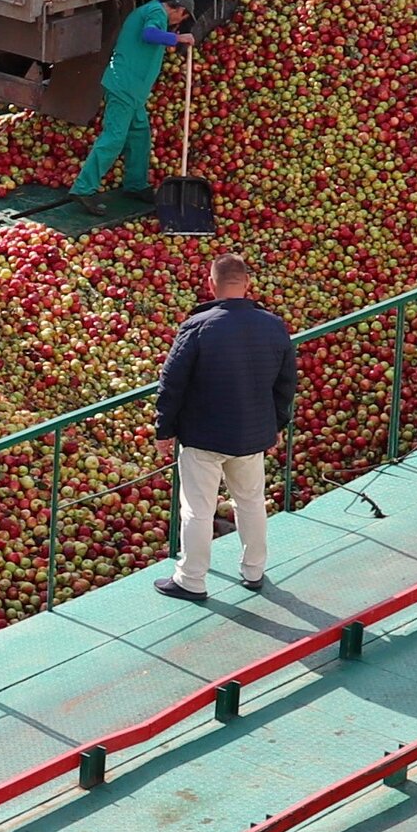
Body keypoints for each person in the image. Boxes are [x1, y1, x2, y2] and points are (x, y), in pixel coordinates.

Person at [153, 251, 298, 602]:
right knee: (250, 501)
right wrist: (277, 423)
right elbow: (286, 381)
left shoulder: (198, 327)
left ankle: (192, 579)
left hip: (203, 436)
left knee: (197, 510)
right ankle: (254, 570)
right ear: (247, 284)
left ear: (210, 285)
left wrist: (164, 429)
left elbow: (172, 383)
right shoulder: (273, 325)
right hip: (251, 436)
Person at [70, 0, 185, 198]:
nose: (176, 24)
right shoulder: (156, 12)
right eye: (181, 18)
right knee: (114, 138)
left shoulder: (151, 11)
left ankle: (135, 185)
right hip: (124, 87)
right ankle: (83, 189)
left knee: (140, 135)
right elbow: (149, 34)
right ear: (180, 10)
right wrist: (178, 38)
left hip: (133, 93)